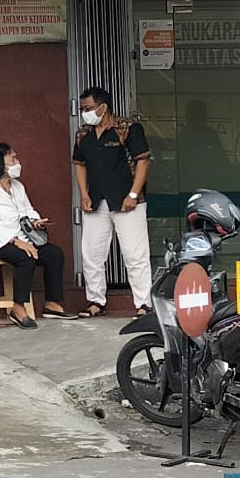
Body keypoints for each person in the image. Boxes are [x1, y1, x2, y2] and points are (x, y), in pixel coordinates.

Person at [72, 85, 153, 319]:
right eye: (82, 109)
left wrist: (134, 195)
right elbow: (79, 164)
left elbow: (143, 162)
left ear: (103, 107)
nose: (84, 113)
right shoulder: (83, 134)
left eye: (87, 108)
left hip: (128, 201)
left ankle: (143, 304)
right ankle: (96, 300)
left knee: (135, 254)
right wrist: (84, 195)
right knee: (91, 253)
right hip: (96, 201)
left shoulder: (128, 129)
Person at [0, 142, 66, 328]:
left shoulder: (17, 187)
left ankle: (52, 304)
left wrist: (35, 221)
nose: (17, 162)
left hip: (22, 238)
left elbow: (28, 210)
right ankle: (18, 308)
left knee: (54, 254)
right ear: (0, 163)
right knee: (26, 258)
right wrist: (17, 243)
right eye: (12, 158)